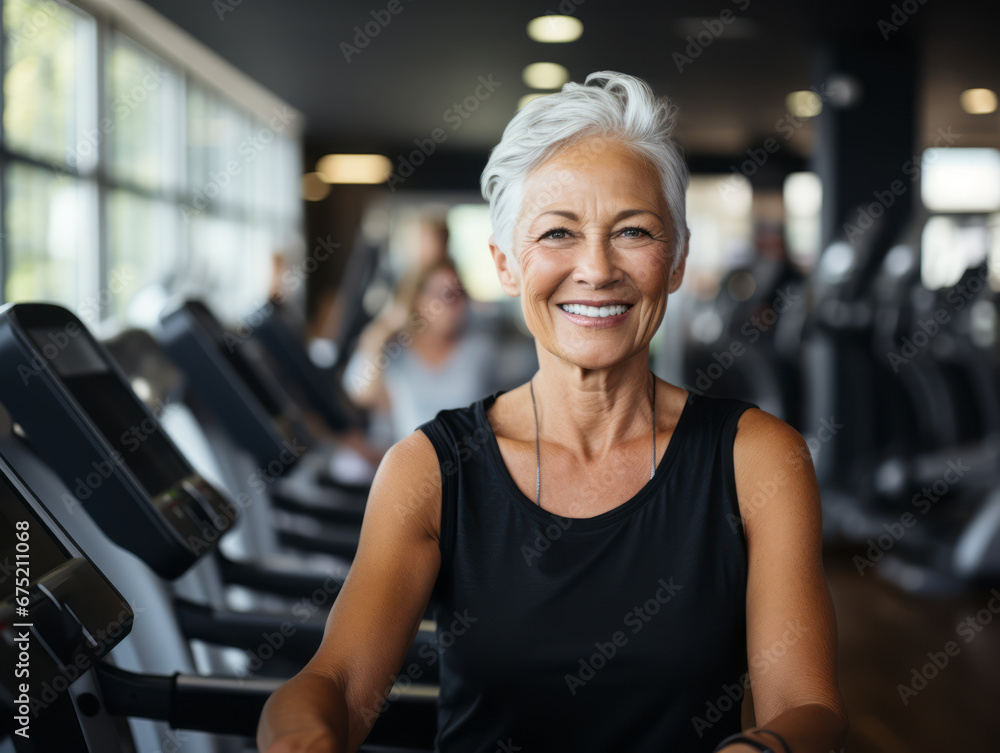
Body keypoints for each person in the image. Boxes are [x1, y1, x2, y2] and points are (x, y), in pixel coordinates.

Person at [257, 71, 848, 753]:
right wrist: (299, 733)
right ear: (506, 264)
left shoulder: (757, 457)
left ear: (678, 257)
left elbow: (808, 706)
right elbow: (332, 681)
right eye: (558, 234)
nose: (596, 269)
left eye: (632, 231)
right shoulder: (429, 469)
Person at [343, 257, 499, 444]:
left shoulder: (480, 349)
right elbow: (360, 394)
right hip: (412, 461)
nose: (452, 304)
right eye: (441, 295)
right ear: (419, 300)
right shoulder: (398, 351)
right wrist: (381, 332)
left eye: (456, 294)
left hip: (470, 460)